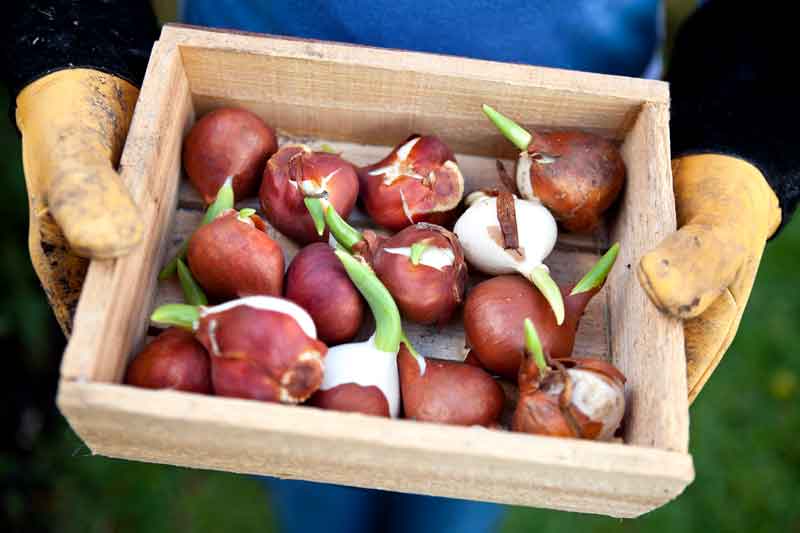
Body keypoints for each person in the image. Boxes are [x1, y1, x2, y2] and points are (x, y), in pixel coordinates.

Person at [3, 1, 797, 532]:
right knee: (308, 467)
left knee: (464, 489)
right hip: (263, 31)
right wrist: (70, 40)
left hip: (588, 60)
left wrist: (749, 130)